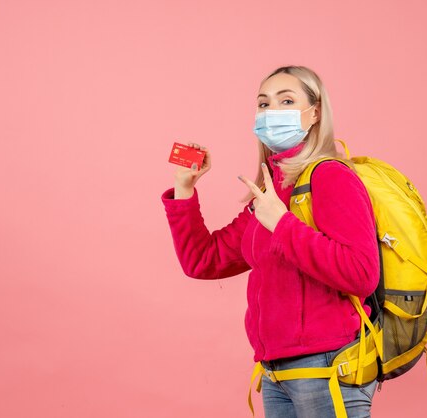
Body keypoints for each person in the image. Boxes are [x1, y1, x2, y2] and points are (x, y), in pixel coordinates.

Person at [160, 65, 380, 417]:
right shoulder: (267, 194)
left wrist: (282, 224)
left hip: (326, 369)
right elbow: (203, 261)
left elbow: (361, 273)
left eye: (287, 100)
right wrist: (185, 190)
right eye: (263, 104)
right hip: (276, 373)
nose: (270, 112)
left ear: (315, 113)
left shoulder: (331, 176)